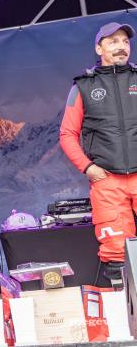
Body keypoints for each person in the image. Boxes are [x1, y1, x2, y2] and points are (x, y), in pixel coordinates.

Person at [59, 22, 137, 288]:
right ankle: (126, 322)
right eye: (113, 41)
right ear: (99, 47)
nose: (121, 47)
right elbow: (67, 134)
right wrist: (88, 168)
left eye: (125, 41)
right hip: (107, 181)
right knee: (116, 254)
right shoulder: (82, 86)